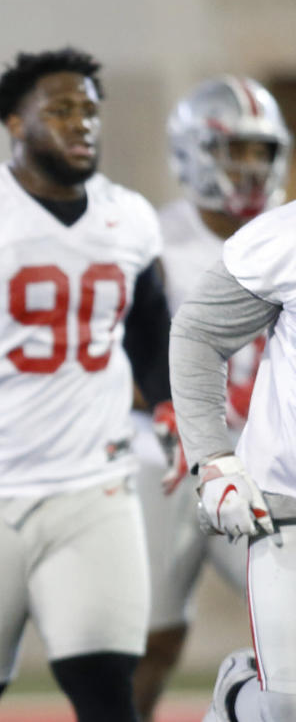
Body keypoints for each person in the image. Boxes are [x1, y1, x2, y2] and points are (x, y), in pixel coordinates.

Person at [0, 48, 172, 722]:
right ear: (15, 125)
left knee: (108, 686)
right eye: (60, 109)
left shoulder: (131, 216)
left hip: (92, 483)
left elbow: (149, 328)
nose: (81, 123)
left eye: (88, 109)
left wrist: (170, 403)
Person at [131, 76, 292, 720]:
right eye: (235, 151)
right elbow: (148, 344)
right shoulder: (152, 236)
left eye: (261, 152)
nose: (249, 169)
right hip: (168, 459)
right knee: (153, 637)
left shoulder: (276, 232)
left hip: (260, 460)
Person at [170, 201, 296, 721]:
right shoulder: (286, 235)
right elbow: (199, 332)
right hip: (289, 501)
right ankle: (238, 699)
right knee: (288, 706)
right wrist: (213, 457)